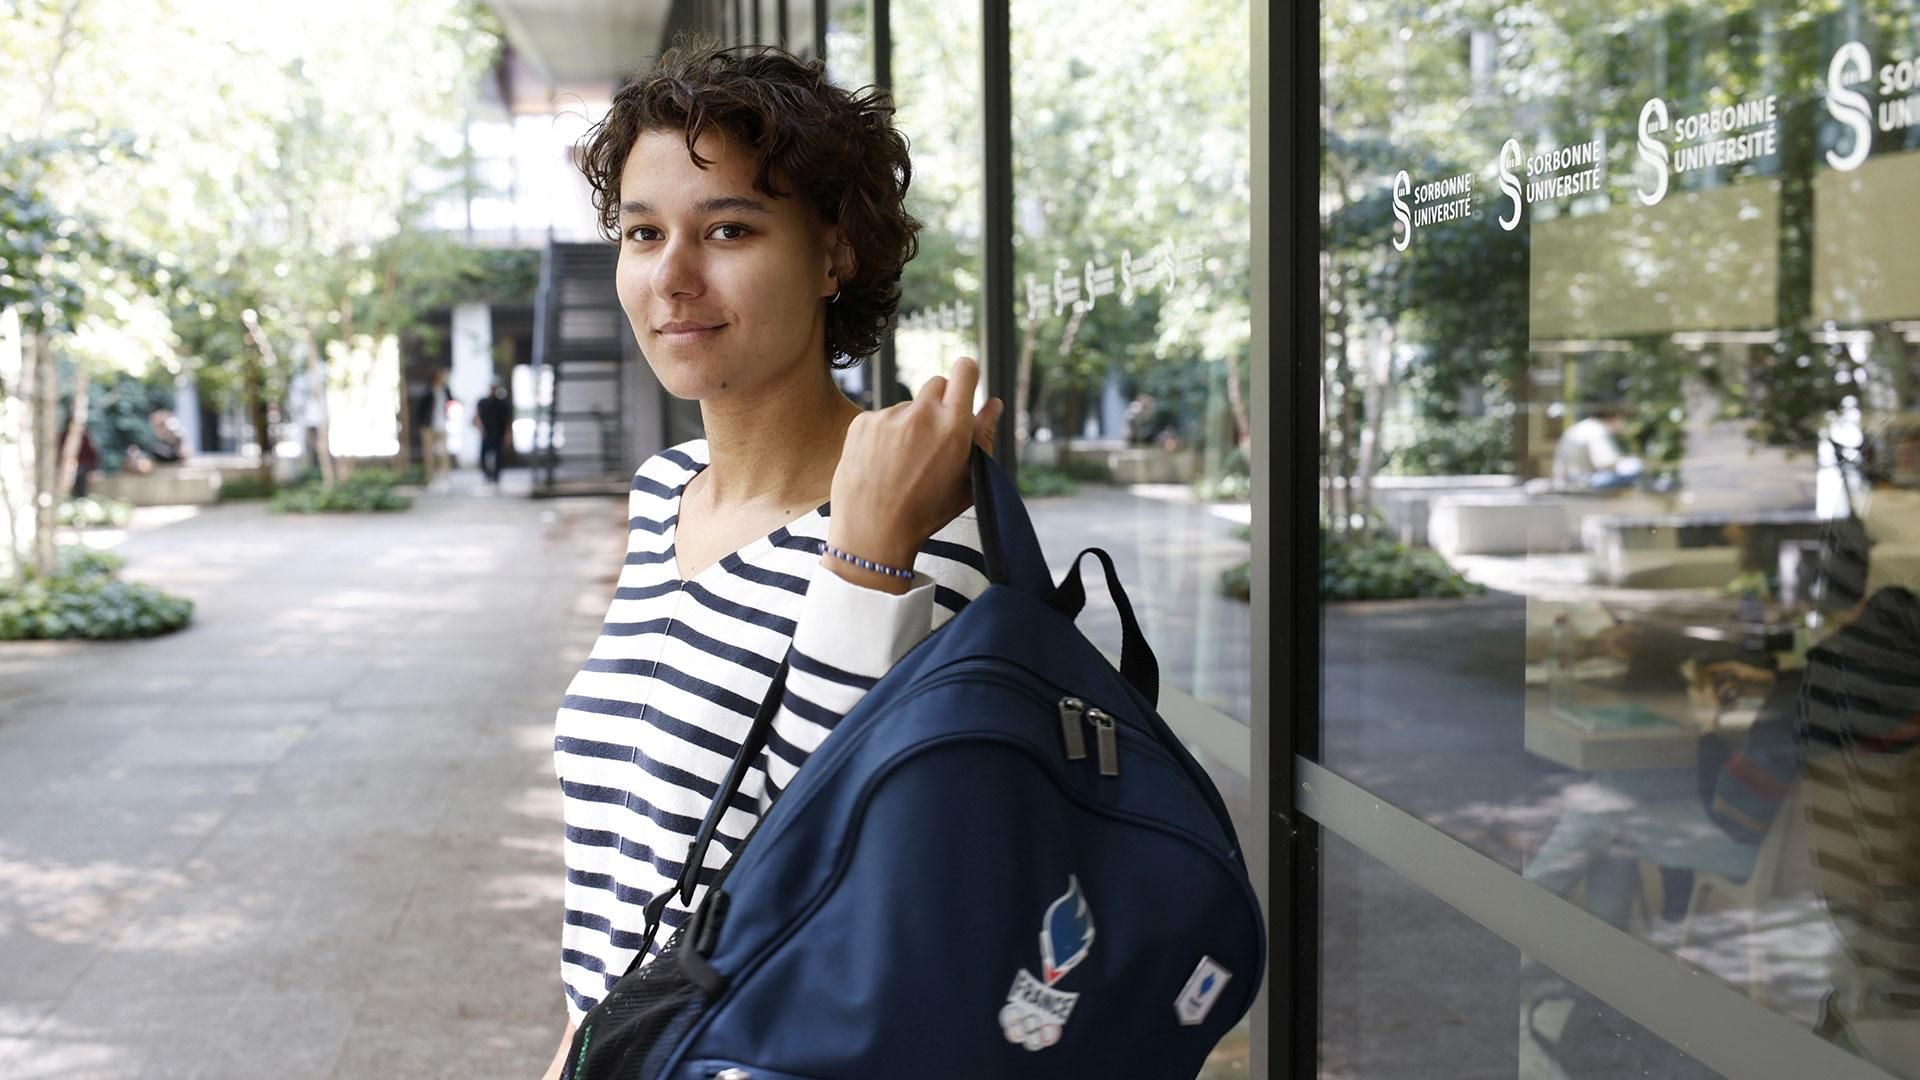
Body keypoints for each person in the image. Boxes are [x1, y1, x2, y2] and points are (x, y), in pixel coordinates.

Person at [541, 38, 1003, 1080]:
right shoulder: (663, 493)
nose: (673, 276)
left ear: (834, 252)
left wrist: (868, 560)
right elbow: (635, 870)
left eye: (730, 229)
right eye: (642, 232)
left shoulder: (927, 528)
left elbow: (827, 867)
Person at [1552, 403, 1641, 492]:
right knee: (1635, 465)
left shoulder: (1585, 426)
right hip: (1581, 483)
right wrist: (1622, 460)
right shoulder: (1597, 430)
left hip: (1566, 480)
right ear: (1615, 418)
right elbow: (1604, 463)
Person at [415, 368, 454, 490]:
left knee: (443, 453)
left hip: (442, 424)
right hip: (428, 425)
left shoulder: (445, 390)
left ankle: (445, 478)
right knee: (429, 454)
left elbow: (451, 400)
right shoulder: (427, 391)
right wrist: (421, 424)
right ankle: (430, 480)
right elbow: (420, 409)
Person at [472, 378, 511, 484]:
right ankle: (487, 475)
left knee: (498, 456)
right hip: (487, 433)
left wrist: (507, 434)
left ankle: (496, 475)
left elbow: (507, 420)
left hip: (499, 433)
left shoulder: (503, 404)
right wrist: (480, 428)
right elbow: (476, 417)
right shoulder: (483, 402)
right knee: (484, 455)